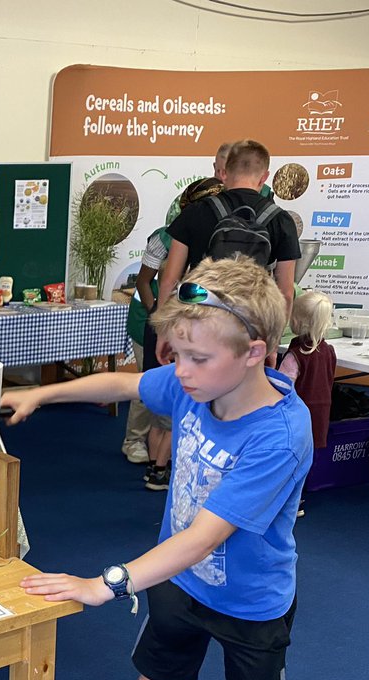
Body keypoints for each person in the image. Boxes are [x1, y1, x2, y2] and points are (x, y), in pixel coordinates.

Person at [0, 256, 312, 680]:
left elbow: (204, 536)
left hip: (252, 602)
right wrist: (42, 392)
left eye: (198, 358)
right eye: (180, 355)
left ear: (254, 353)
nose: (182, 371)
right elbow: (124, 385)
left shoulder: (279, 434)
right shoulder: (195, 383)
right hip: (178, 585)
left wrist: (104, 583)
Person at [131, 177, 225, 489]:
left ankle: (162, 463)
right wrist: (158, 313)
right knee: (155, 393)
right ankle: (154, 459)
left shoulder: (222, 238)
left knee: (178, 399)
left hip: (192, 323)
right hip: (170, 322)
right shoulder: (165, 238)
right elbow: (147, 281)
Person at [160, 140, 301, 314]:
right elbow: (285, 293)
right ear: (264, 177)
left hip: (200, 320)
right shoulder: (281, 220)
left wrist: (163, 334)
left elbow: (169, 281)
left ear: (224, 173)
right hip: (251, 321)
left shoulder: (194, 212)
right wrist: (271, 337)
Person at [278, 290, 336, 516]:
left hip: (296, 415)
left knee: (289, 457)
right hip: (320, 413)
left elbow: (282, 386)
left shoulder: (295, 355)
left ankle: (286, 501)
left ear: (297, 321)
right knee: (306, 458)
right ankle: (298, 499)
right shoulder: (328, 351)